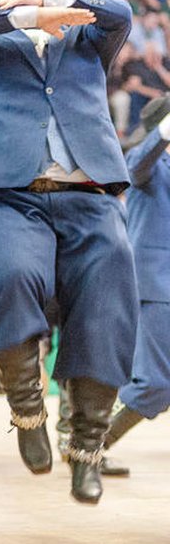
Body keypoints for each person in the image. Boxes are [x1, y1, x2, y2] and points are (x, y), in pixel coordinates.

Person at [0, 0, 137, 504]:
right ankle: (27, 410)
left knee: (108, 296)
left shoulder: (89, 39)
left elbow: (120, 12)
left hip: (89, 193)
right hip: (9, 195)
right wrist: (26, 13)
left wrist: (62, 1)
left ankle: (87, 447)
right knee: (9, 276)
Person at [99, 95, 170, 470]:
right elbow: (138, 162)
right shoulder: (152, 167)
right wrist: (164, 131)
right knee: (154, 383)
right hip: (159, 288)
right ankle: (91, 443)